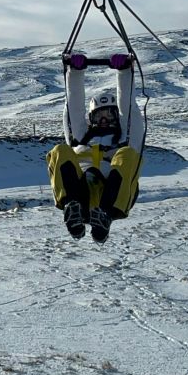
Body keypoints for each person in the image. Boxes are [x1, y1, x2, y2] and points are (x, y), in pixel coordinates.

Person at [46, 52, 145, 243]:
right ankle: (71, 207)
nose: (104, 119)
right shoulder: (80, 136)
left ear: (117, 116)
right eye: (99, 115)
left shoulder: (127, 137)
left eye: (109, 114)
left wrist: (124, 72)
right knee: (60, 151)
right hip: (80, 191)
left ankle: (105, 217)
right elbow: (73, 108)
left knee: (127, 155)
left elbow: (129, 107)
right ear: (91, 118)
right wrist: (74, 72)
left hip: (112, 192)